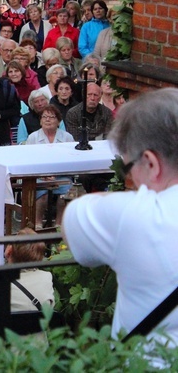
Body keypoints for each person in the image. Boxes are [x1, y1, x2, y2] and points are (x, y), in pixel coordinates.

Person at [62, 89, 178, 348]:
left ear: (151, 163)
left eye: (128, 167)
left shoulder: (135, 216)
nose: (132, 179)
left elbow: (72, 220)